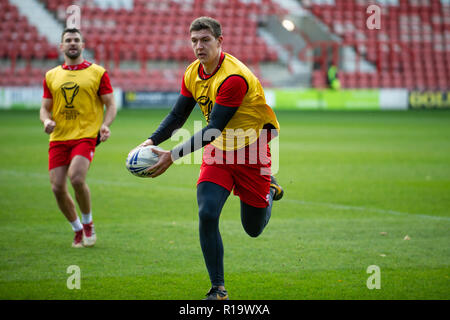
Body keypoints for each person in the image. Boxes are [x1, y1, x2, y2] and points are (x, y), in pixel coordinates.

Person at [136, 17, 284, 300]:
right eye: (194, 41)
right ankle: (218, 288)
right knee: (207, 213)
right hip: (217, 151)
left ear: (220, 41)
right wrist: (153, 140)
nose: (198, 46)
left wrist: (172, 156)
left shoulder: (234, 78)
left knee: (253, 229)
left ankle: (268, 190)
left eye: (205, 40)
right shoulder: (192, 72)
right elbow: (178, 115)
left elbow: (213, 127)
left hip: (251, 151)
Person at [39, 28, 117, 248]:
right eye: (68, 40)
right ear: (61, 47)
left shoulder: (98, 73)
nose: (72, 43)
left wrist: (105, 125)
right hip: (59, 137)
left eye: (76, 40)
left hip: (85, 135)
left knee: (76, 177)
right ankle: (77, 230)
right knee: (56, 187)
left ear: (83, 46)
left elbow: (111, 104)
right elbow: (44, 108)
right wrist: (46, 121)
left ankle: (88, 222)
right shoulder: (51, 75)